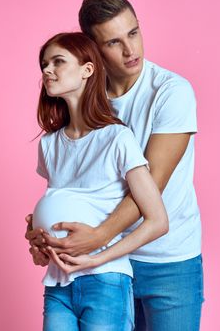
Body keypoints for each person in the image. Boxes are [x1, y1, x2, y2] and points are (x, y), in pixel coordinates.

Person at [26, 0, 204, 331]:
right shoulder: (84, 95)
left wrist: (97, 238)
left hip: (168, 261)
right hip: (101, 269)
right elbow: (74, 188)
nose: (130, 50)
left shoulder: (170, 92)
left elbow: (151, 185)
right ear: (93, 50)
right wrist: (42, 230)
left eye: (134, 33)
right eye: (113, 42)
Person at [33, 32, 168, 331]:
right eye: (44, 64)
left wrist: (96, 258)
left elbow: (158, 221)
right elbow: (61, 203)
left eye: (58, 61)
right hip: (58, 283)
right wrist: (39, 237)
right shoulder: (49, 145)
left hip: (105, 280)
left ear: (87, 70)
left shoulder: (117, 138)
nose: (46, 70)